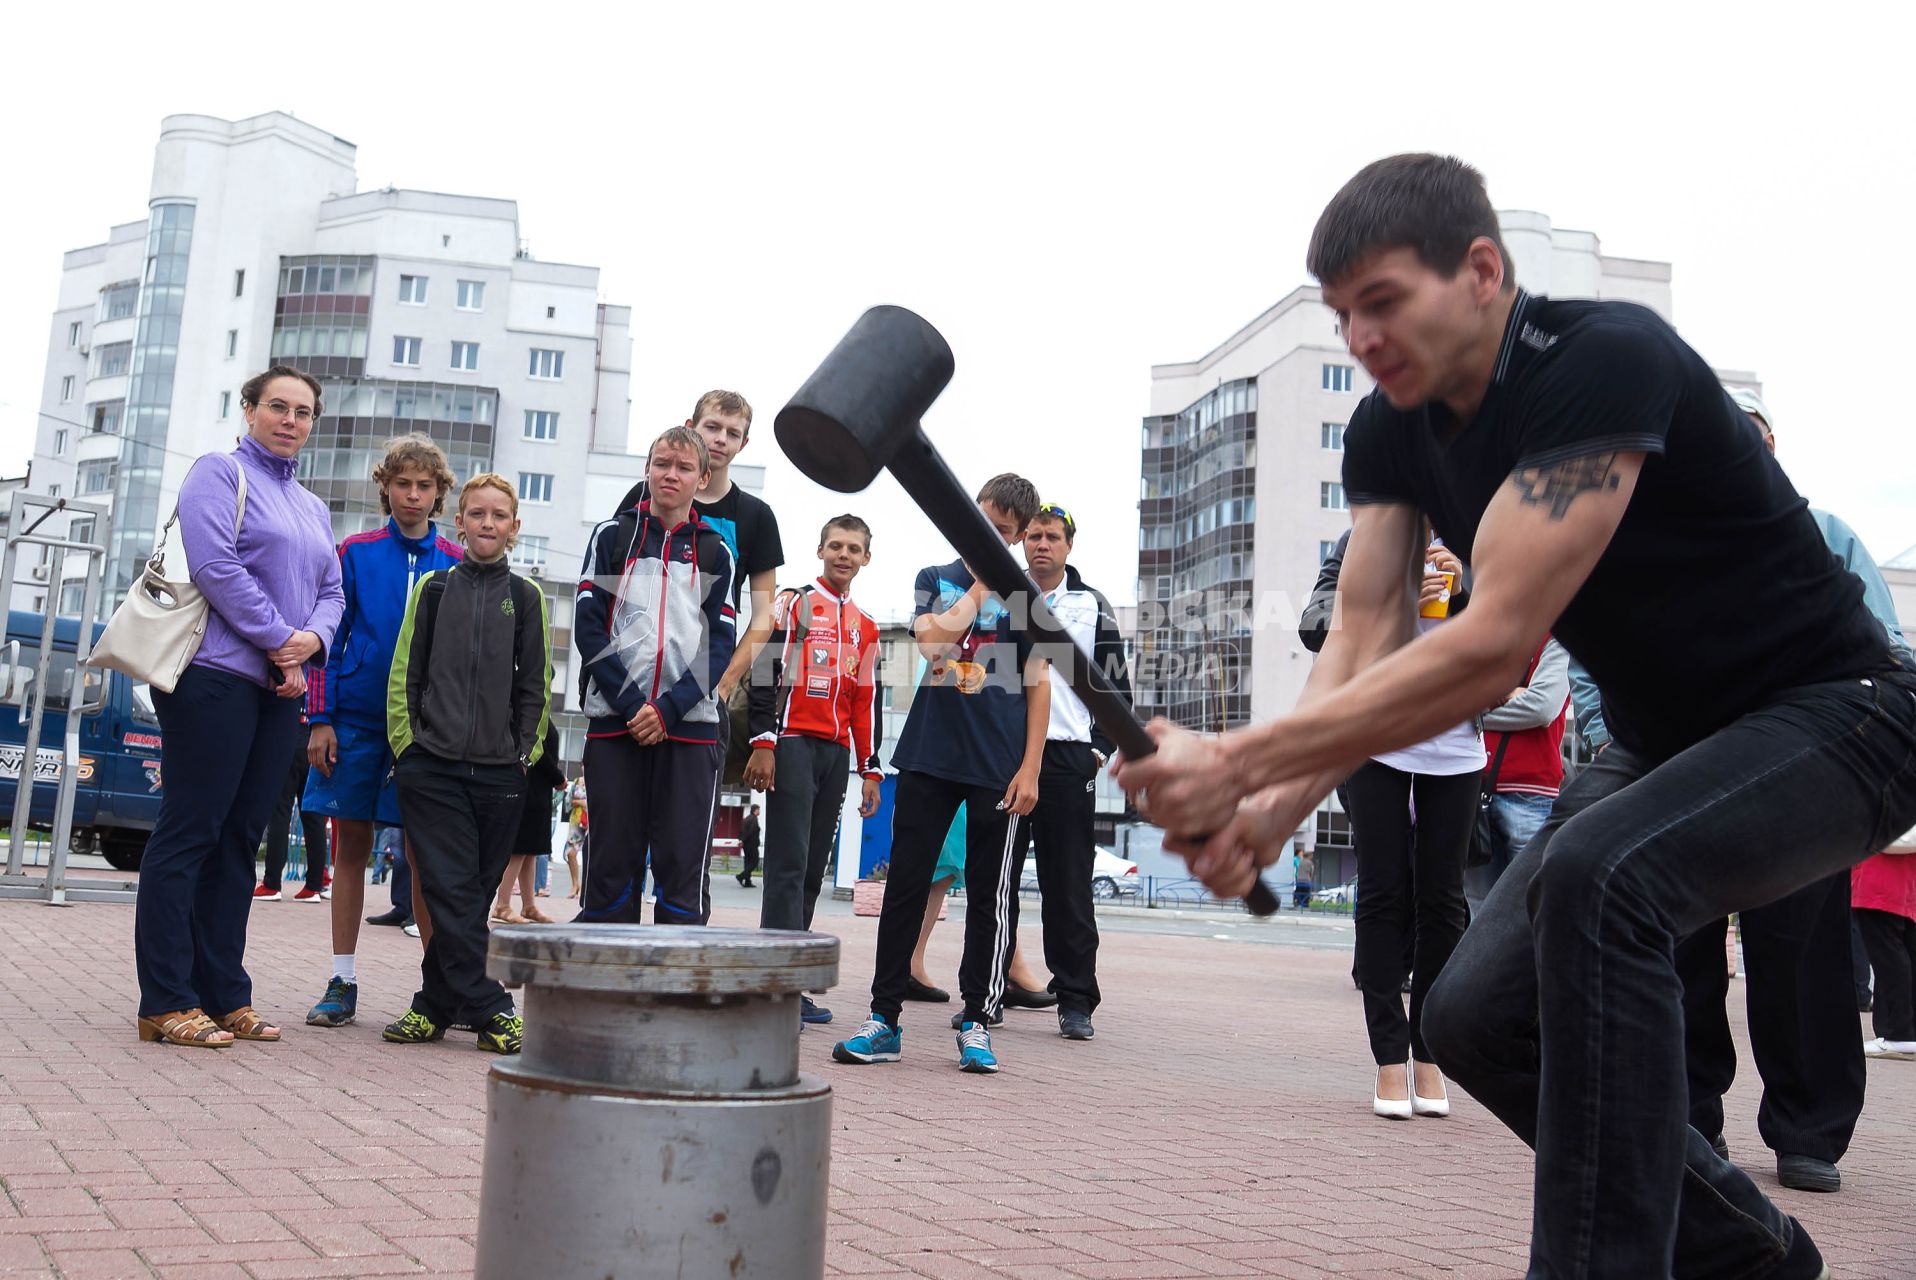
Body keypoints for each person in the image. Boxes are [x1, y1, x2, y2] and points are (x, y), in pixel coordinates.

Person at [1116, 154, 1916, 1277]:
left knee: (1601, 878)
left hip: (1843, 713)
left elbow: (1492, 644)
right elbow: (1359, 637)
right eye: (1343, 314)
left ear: (1480, 270)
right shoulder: (1389, 431)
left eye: (1382, 302)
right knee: (1475, 1012)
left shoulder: (1602, 360)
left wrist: (1236, 756)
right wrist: (1271, 805)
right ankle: (1744, 1254)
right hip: (1660, 741)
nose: (1359, 337)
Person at [1673, 386, 1906, 1194]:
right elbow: (1596, 653)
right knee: (1679, 949)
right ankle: (1687, 1115)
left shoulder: (1830, 536)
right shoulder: (1656, 542)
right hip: (1684, 765)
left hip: (1801, 771)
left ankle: (1811, 1130)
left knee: (1804, 955)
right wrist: (1607, 730)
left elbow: (1890, 654)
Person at [134, 366, 343, 1048]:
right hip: (214, 677)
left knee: (239, 842)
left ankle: (225, 995)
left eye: (303, 411)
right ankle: (165, 999)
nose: (290, 420)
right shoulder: (218, 474)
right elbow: (216, 566)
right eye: (277, 407)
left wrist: (307, 643)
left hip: (277, 688)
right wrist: (284, 641)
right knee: (189, 832)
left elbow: (333, 590)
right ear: (249, 411)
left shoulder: (312, 506)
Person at [832, 474, 1049, 1075]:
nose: (990, 536)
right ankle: (884, 1019)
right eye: (982, 524)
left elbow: (1039, 685)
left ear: (1018, 536)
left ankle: (978, 1021)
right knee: (904, 885)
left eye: (1002, 533)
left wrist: (1031, 767)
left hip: (999, 765)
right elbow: (933, 644)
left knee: (988, 896)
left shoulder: (1029, 596)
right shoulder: (936, 578)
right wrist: (981, 584)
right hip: (929, 753)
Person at [382, 473, 549, 1053]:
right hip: (432, 766)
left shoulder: (526, 597)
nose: (486, 523)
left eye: (498, 515)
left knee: (471, 898)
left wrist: (521, 754)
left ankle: (431, 1007)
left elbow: (537, 686)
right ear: (459, 521)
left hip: (501, 772)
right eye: (475, 513)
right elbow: (407, 671)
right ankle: (494, 1007)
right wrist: (408, 749)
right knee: (451, 888)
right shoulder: (432, 588)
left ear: (513, 528)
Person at [303, 433, 461, 1029]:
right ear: (386, 489)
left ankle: (437, 988)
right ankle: (342, 981)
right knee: (351, 846)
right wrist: (321, 718)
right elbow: (330, 640)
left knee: (426, 858)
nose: (412, 496)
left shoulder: (455, 560)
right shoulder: (357, 552)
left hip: (426, 734)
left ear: (439, 493)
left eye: (424, 486)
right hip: (358, 724)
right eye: (402, 484)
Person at [1331, 537, 1482, 1118]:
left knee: (1443, 899)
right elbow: (1320, 621)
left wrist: (1467, 589)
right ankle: (1389, 1059)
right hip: (1377, 733)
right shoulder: (1365, 536)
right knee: (1381, 890)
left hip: (1456, 737)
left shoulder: (1481, 532)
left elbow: (1518, 622)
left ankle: (1430, 1054)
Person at [618, 391, 784, 915]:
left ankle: (682, 963)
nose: (720, 439)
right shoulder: (642, 496)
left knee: (689, 846)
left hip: (705, 688)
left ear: (744, 443)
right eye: (713, 427)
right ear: (692, 425)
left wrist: (727, 678)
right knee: (619, 839)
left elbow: (764, 615)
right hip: (636, 687)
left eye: (732, 433)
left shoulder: (755, 516)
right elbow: (613, 591)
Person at [575, 427, 737, 925]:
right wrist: (632, 706)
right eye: (662, 463)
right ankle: (599, 990)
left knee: (681, 867)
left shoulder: (716, 551)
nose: (671, 474)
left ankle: (673, 995)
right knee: (610, 864)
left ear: (703, 478)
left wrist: (667, 709)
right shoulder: (613, 535)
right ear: (647, 469)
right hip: (615, 724)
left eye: (684, 467)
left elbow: (720, 645)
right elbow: (588, 628)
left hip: (688, 728)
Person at [746, 515, 884, 1024]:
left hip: (836, 753)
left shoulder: (867, 624)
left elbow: (866, 699)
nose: (844, 555)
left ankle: (792, 980)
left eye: (854, 548)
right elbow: (766, 668)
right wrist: (764, 739)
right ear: (820, 550)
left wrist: (871, 767)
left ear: (867, 557)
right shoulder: (795, 603)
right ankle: (774, 983)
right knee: (787, 862)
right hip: (792, 742)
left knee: (811, 869)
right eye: (835, 546)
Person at [1003, 502, 1132, 1042]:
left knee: (1069, 884)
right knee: (998, 877)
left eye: (1052, 537)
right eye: (1033, 535)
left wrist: (1099, 750)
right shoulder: (1002, 594)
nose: (1041, 545)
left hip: (1067, 757)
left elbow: (1117, 687)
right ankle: (990, 986)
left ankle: (1075, 998)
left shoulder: (1091, 604)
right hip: (1007, 754)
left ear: (1068, 545)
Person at [1463, 636, 1570, 910]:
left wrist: (1467, 716)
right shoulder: (1484, 631)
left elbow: (1541, 707)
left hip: (1530, 790)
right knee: (1481, 910)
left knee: (1531, 908)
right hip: (1475, 788)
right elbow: (1457, 694)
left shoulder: (1559, 637)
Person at [493, 723, 566, 924]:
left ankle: (528, 905)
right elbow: (537, 751)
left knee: (530, 851)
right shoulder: (531, 714)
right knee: (520, 848)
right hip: (527, 787)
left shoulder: (541, 714)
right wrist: (558, 777)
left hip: (538, 790)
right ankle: (502, 905)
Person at [257, 719, 328, 901]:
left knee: (280, 813)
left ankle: (272, 883)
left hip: (288, 736)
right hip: (314, 738)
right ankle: (314, 885)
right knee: (314, 817)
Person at [564, 778, 587, 900]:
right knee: (571, 853)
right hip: (576, 821)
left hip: (592, 820)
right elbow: (569, 801)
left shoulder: (597, 779)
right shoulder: (577, 781)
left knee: (590, 855)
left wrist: (581, 802)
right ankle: (575, 885)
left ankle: (584, 887)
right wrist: (581, 802)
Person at [737, 803, 762, 889]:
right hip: (751, 844)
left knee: (748, 862)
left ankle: (747, 881)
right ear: (755, 810)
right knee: (755, 861)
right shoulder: (753, 819)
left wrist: (741, 840)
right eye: (759, 809)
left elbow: (742, 831)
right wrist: (743, 840)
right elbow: (750, 832)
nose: (759, 811)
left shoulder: (746, 819)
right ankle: (741, 876)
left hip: (746, 844)